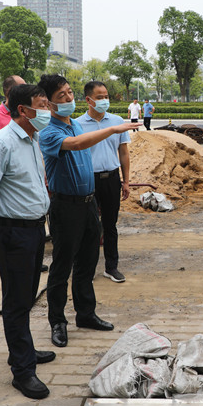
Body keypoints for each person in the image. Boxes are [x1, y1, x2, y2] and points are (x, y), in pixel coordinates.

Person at [36, 74, 139, 348]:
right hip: (65, 206)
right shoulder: (49, 131)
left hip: (88, 203)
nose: (69, 98)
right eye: (61, 96)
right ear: (49, 103)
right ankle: (57, 321)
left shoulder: (76, 125)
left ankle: (85, 313)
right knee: (62, 266)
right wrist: (113, 129)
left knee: (88, 261)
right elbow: (79, 145)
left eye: (70, 92)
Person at [0, 84, 57, 400]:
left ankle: (25, 350)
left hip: (34, 230)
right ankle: (22, 371)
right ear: (23, 110)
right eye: (42, 105)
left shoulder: (32, 140)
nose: (48, 111)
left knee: (27, 295)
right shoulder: (2, 143)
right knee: (16, 300)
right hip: (13, 232)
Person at [78, 81, 131, 283]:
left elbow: (123, 153)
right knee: (89, 227)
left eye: (106, 96)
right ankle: (87, 269)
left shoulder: (117, 122)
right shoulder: (78, 125)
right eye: (99, 97)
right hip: (88, 180)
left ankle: (111, 267)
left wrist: (126, 181)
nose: (104, 100)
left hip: (111, 179)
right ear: (88, 100)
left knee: (110, 225)